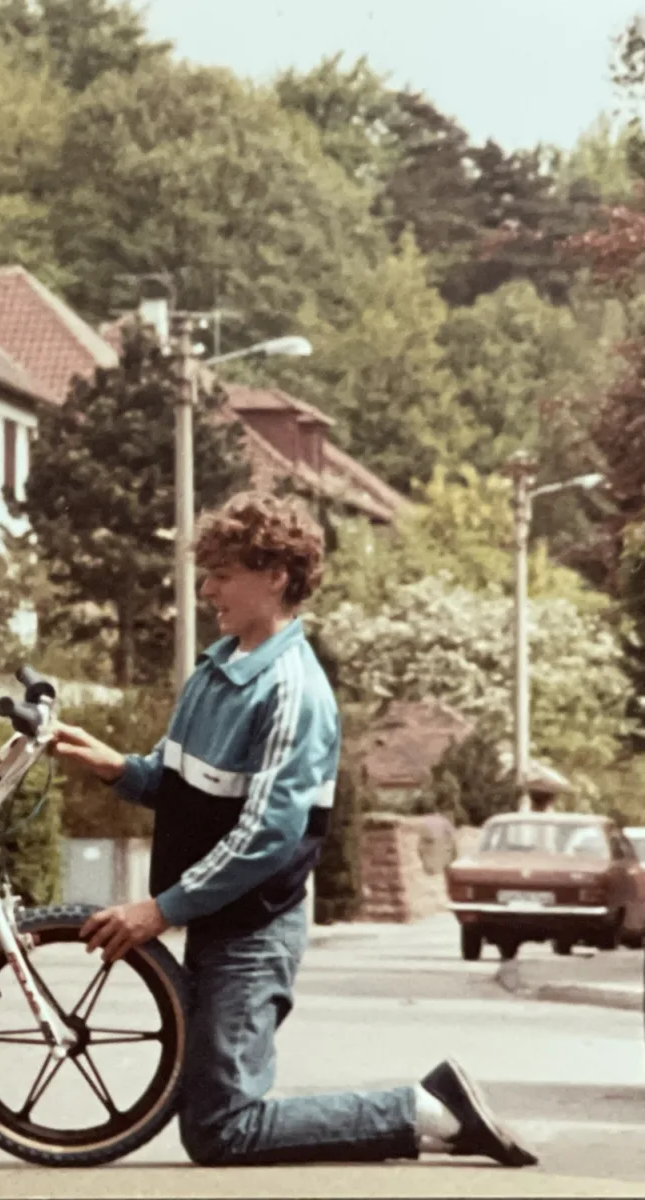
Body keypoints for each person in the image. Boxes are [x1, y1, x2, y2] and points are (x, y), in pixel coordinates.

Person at [51, 491, 537, 1169]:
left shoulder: (290, 689)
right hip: (217, 921)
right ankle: (431, 1113)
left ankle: (425, 1110)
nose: (208, 590)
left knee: (223, 1128)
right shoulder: (215, 672)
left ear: (275, 576)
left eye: (223, 574)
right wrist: (114, 767)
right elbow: (179, 783)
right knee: (212, 1117)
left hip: (254, 930)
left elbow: (266, 834)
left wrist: (159, 910)